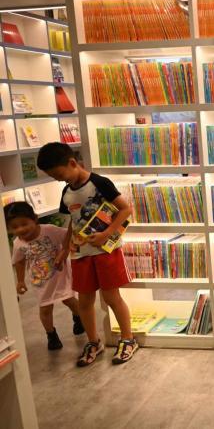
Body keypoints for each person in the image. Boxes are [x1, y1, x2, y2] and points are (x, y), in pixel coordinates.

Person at [36, 142, 138, 367]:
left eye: (59, 175)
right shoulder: (66, 192)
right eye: (54, 177)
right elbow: (73, 223)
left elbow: (125, 209)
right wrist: (64, 249)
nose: (59, 180)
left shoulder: (99, 183)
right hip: (80, 254)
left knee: (112, 298)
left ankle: (127, 339)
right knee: (84, 301)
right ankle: (93, 342)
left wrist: (106, 234)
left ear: (72, 163)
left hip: (106, 251)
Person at [5, 202, 84, 350]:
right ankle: (51, 335)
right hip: (40, 282)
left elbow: (69, 237)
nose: (20, 229)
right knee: (45, 309)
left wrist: (66, 253)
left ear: (34, 218)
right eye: (14, 227)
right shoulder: (18, 244)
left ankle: (79, 318)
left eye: (24, 224)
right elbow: (19, 262)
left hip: (60, 276)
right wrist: (20, 281)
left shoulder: (50, 230)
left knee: (69, 300)